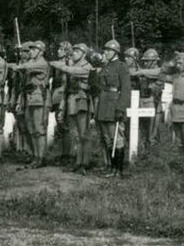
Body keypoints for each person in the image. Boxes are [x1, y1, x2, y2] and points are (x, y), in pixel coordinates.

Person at [51, 43, 94, 172]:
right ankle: (78, 161)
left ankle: (84, 162)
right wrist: (62, 107)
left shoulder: (87, 67)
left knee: (83, 134)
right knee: (74, 134)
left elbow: (73, 71)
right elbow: (66, 89)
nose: (74, 53)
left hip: (82, 101)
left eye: (77, 51)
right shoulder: (71, 66)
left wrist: (59, 64)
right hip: (71, 100)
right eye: (73, 51)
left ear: (84, 54)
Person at [93, 40, 132, 176]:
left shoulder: (122, 67)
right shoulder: (106, 66)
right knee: (107, 139)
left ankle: (118, 170)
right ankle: (110, 167)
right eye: (105, 50)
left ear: (115, 52)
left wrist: (121, 109)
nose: (106, 53)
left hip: (114, 104)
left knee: (117, 138)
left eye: (108, 50)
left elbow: (126, 90)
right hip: (103, 104)